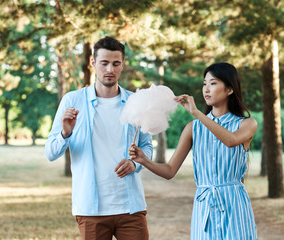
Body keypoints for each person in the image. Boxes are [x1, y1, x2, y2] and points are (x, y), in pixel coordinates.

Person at [129, 62, 258, 239]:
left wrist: (197, 112)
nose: (206, 89)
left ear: (229, 89)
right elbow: (169, 171)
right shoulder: (193, 128)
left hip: (234, 205)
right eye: (204, 84)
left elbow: (231, 141)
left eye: (213, 83)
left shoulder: (246, 124)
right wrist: (144, 160)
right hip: (204, 206)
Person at [45, 36, 153, 240]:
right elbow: (50, 152)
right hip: (90, 210)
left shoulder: (135, 102)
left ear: (122, 65)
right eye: (104, 63)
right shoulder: (73, 100)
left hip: (131, 208)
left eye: (116, 63)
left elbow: (147, 146)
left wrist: (135, 164)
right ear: (93, 63)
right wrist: (65, 133)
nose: (110, 69)